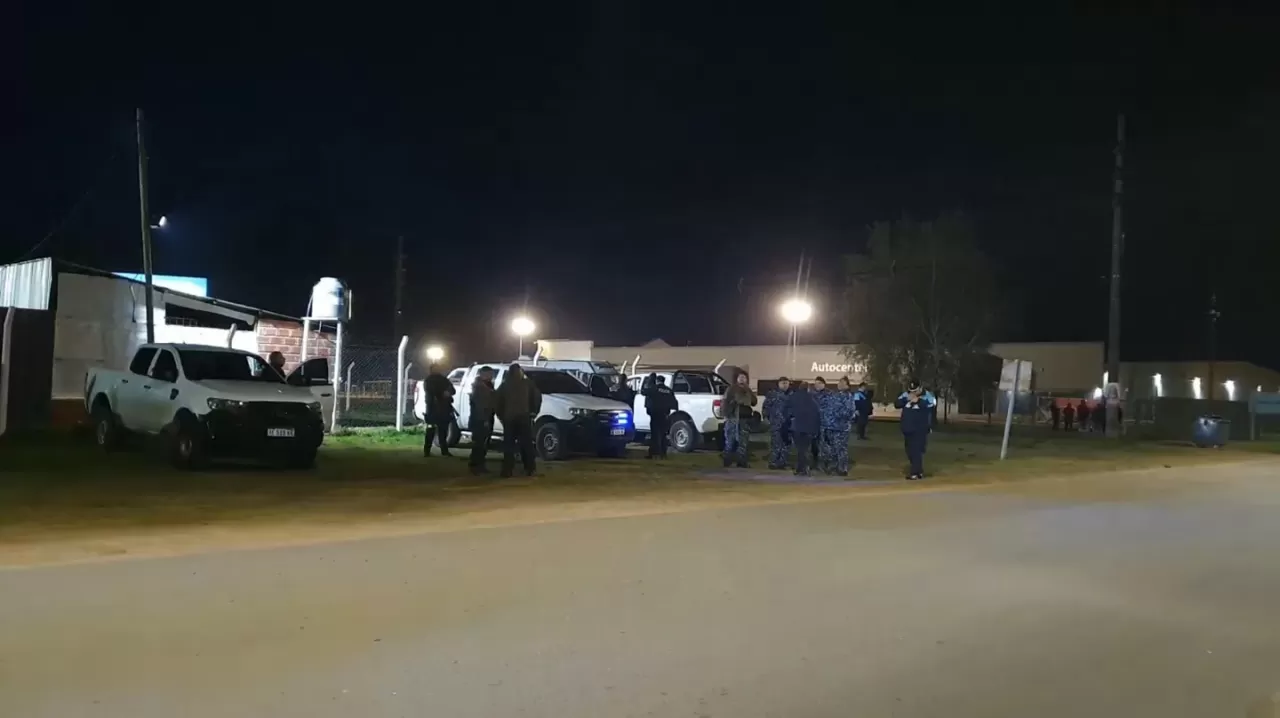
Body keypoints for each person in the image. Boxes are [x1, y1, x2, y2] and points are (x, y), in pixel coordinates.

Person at [493, 363, 542, 477]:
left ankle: (507, 470)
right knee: (526, 444)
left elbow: (497, 402)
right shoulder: (528, 384)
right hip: (523, 417)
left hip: (509, 418)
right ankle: (529, 468)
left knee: (509, 445)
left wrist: (501, 416)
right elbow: (537, 398)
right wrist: (533, 412)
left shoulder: (505, 385)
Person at [895, 380, 936, 480]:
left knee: (916, 450)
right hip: (907, 427)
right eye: (911, 391)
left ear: (920, 388)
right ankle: (919, 471)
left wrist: (918, 401)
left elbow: (931, 405)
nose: (913, 393)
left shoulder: (928, 396)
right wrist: (906, 400)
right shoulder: (906, 395)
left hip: (920, 428)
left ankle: (914, 473)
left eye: (915, 391)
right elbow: (897, 404)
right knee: (909, 451)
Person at [820, 377, 856, 476]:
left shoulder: (848, 397)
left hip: (841, 428)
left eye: (842, 383)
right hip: (830, 426)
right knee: (832, 449)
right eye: (839, 382)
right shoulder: (835, 395)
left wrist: (836, 414)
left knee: (841, 448)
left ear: (847, 385)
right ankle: (833, 466)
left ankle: (842, 469)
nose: (839, 384)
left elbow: (849, 412)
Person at [721, 371, 757, 468]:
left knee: (743, 442)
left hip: (744, 419)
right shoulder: (731, 389)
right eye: (740, 377)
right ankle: (727, 460)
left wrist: (750, 393)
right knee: (730, 440)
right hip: (733, 418)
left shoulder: (748, 389)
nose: (742, 379)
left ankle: (741, 461)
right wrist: (726, 415)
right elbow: (725, 402)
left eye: (744, 377)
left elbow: (754, 402)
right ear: (737, 379)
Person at [467, 366, 497, 474]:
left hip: (486, 417)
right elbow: (480, 406)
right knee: (479, 444)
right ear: (483, 374)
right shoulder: (479, 388)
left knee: (483, 443)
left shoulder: (487, 385)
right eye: (489, 374)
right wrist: (484, 420)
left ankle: (479, 464)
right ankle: (476, 465)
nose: (491, 376)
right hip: (480, 420)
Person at [786, 381, 820, 476]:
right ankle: (804, 468)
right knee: (805, 449)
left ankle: (801, 468)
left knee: (800, 449)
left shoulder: (793, 397)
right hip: (809, 427)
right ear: (808, 388)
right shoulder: (813, 398)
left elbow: (787, 411)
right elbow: (817, 413)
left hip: (796, 427)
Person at [422, 364, 456, 457]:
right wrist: (443, 393)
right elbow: (431, 391)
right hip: (433, 409)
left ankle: (443, 450)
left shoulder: (443, 379)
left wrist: (448, 393)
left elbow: (453, 390)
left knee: (443, 431)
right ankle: (427, 450)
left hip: (443, 409)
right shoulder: (429, 381)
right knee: (431, 430)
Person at [643, 374, 678, 458]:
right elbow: (674, 403)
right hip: (664, 415)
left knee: (655, 435)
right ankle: (663, 453)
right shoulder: (669, 390)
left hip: (655, 414)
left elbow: (643, 392)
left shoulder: (654, 388)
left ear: (657, 381)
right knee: (663, 435)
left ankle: (653, 453)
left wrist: (648, 381)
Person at [761, 377, 793, 469]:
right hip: (776, 423)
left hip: (788, 424)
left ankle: (782, 462)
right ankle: (773, 462)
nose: (785, 385)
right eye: (783, 383)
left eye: (786, 383)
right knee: (776, 443)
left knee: (786, 444)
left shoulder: (792, 395)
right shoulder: (772, 394)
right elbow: (766, 407)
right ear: (778, 384)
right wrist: (766, 418)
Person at [810, 376, 828, 465]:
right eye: (816, 383)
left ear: (824, 384)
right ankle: (815, 459)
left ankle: (824, 461)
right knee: (814, 442)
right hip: (813, 422)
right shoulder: (810, 394)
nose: (817, 385)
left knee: (825, 442)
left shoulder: (829, 394)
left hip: (825, 423)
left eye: (820, 383)